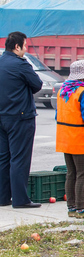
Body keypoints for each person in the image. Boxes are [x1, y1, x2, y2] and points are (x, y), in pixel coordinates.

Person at [0, 32, 43, 208]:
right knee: (19, 158)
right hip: (21, 117)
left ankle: (2, 197)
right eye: (25, 46)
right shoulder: (21, 64)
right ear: (17, 47)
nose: (26, 49)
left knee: (3, 158)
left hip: (2, 116)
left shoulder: (1, 61)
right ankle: (20, 199)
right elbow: (37, 84)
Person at [56, 60, 84, 218]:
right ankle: (81, 209)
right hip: (80, 139)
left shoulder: (63, 90)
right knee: (83, 173)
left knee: (71, 173)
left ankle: (71, 207)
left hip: (65, 138)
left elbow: (58, 115)